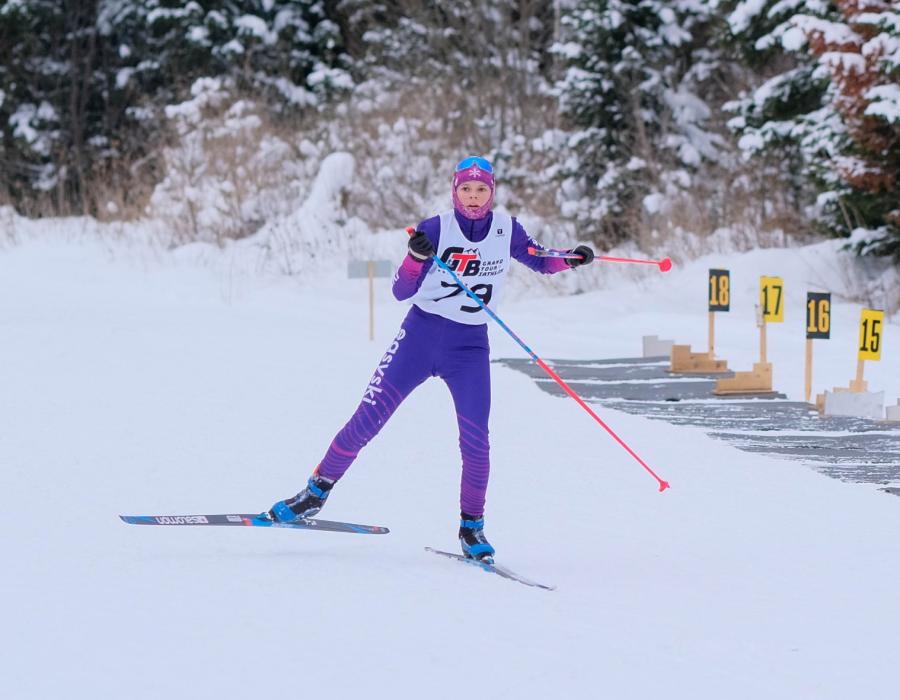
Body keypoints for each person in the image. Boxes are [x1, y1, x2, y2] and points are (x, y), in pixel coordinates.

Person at [263, 156, 594, 562]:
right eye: (466, 189)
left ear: (492, 192)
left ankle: (472, 528)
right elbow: (401, 290)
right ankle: (314, 493)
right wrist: (415, 258)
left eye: (482, 190)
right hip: (420, 338)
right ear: (455, 190)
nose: (473, 198)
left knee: (477, 442)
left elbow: (540, 259)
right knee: (367, 419)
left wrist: (570, 258)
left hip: (469, 348)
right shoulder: (436, 228)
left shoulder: (507, 229)